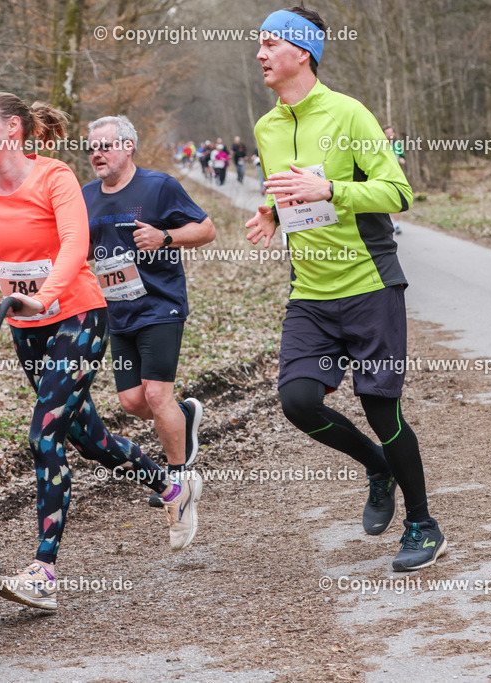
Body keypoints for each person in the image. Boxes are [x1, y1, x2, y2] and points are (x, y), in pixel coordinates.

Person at [0, 92, 198, 611]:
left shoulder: (54, 177)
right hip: (24, 326)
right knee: (89, 439)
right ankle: (171, 487)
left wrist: (47, 295)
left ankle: (43, 572)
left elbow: (76, 245)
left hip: (77, 317)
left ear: (12, 128)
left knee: (44, 436)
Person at [245, 7, 446, 572]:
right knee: (298, 401)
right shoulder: (266, 128)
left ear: (303, 52)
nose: (259, 54)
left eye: (270, 44)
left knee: (382, 410)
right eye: (259, 44)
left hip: (369, 285)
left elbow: (398, 193)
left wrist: (331, 189)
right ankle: (377, 466)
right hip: (310, 292)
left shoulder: (349, 113)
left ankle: (423, 525)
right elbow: (290, 192)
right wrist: (271, 214)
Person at [83, 115, 216, 513]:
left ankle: (179, 480)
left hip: (160, 305)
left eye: (105, 146)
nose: (96, 154)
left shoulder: (159, 186)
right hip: (117, 309)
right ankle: (185, 415)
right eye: (91, 148)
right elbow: (83, 248)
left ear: (128, 146)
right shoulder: (85, 195)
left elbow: (206, 230)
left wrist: (165, 237)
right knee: (133, 402)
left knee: (158, 395)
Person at [384, 125, 406, 234]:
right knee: (385, 200)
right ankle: (386, 223)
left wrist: (400, 160)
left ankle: (396, 225)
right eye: (387, 133)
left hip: (396, 176)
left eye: (391, 132)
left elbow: (403, 159)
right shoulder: (380, 145)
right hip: (383, 176)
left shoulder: (397, 145)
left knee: (396, 199)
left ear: (394, 134)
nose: (390, 135)